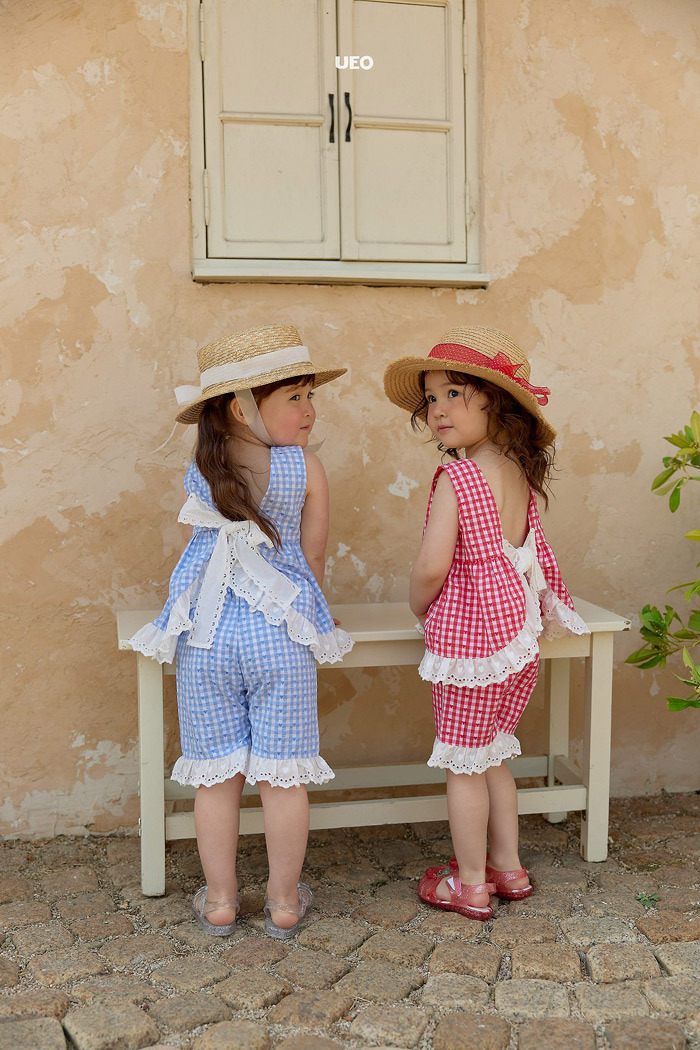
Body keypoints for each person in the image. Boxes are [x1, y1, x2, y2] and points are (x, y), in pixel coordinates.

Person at [129, 324, 352, 939]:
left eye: (310, 396)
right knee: (284, 778)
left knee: (215, 777)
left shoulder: (202, 470)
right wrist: (315, 614)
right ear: (241, 405)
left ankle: (222, 900)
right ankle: (283, 902)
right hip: (278, 640)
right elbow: (312, 562)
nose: (310, 411)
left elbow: (189, 559)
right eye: (296, 398)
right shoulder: (305, 469)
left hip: (206, 641)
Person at [383, 326, 589, 920]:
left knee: (463, 765)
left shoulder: (461, 477)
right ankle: (509, 866)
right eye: (431, 398)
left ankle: (470, 882)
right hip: (515, 641)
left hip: (472, 646)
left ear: (495, 402)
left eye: (453, 393)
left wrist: (422, 605)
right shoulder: (518, 477)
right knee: (494, 755)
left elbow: (431, 566)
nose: (437, 410)